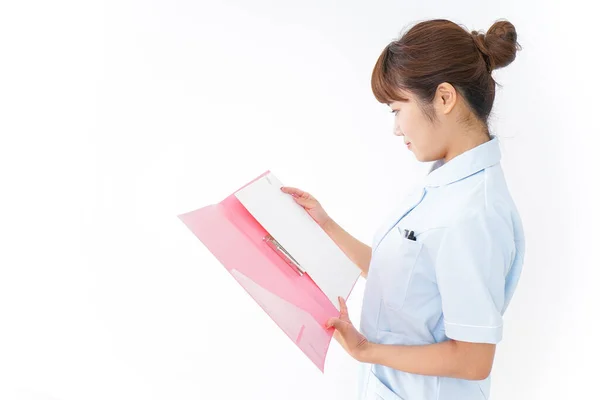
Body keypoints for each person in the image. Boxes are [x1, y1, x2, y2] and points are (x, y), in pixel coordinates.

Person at [280, 18, 525, 400]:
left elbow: (474, 359)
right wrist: (325, 225)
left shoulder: (474, 213)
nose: (396, 129)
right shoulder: (445, 182)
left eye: (397, 108)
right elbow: (404, 277)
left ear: (444, 98)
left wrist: (366, 351)